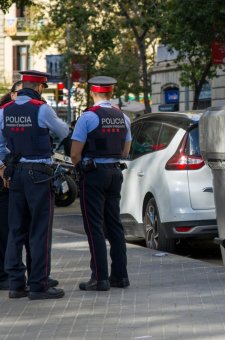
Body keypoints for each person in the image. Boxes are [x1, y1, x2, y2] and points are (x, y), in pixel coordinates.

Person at [0, 70, 69, 300]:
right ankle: (38, 285)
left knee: (16, 229)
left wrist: (15, 156)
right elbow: (63, 131)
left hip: (16, 175)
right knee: (39, 231)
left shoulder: (4, 110)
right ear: (40, 87)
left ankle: (16, 285)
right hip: (39, 175)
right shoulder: (41, 108)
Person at [0, 81, 58, 291]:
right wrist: (2, 168)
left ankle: (35, 275)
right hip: (0, 175)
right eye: (21, 92)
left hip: (17, 173)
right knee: (4, 226)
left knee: (26, 225)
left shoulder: (29, 112)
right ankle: (1, 276)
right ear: (12, 94)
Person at [70, 76, 132, 291]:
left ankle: (100, 277)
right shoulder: (123, 117)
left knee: (94, 225)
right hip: (115, 173)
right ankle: (120, 276)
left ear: (93, 93)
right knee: (114, 225)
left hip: (94, 174)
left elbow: (75, 154)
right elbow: (125, 151)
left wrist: (82, 170)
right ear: (110, 92)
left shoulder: (87, 117)